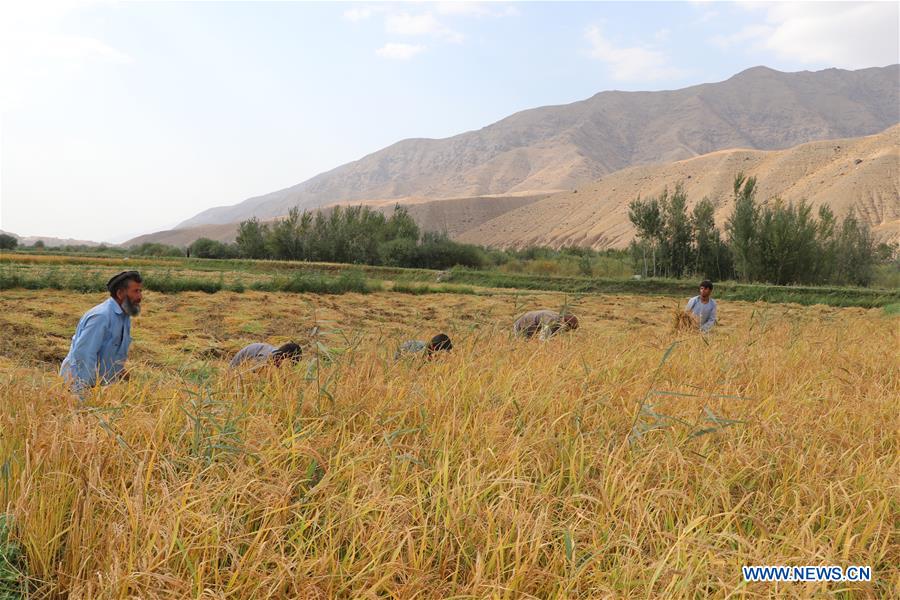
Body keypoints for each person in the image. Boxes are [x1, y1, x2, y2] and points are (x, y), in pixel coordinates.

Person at [60, 270, 143, 395]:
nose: (140, 297)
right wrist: (83, 391)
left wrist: (118, 371)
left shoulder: (124, 317)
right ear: (120, 293)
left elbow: (112, 349)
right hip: (79, 384)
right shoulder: (101, 317)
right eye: (135, 291)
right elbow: (84, 354)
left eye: (140, 291)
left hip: (100, 386)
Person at [229, 342, 303, 369]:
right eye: (289, 362)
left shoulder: (277, 355)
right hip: (237, 367)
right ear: (284, 356)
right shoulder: (264, 357)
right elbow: (252, 373)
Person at [513, 310, 579, 340]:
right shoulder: (551, 319)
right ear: (564, 322)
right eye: (568, 328)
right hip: (522, 324)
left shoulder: (558, 324)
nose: (568, 330)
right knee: (522, 344)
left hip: (533, 327)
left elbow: (549, 336)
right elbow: (543, 338)